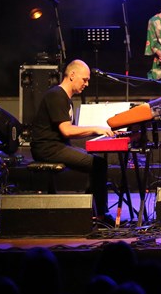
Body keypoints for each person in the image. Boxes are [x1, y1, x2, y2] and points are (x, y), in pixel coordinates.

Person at [29, 59, 116, 223]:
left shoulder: (64, 97)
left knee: (97, 162)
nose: (87, 84)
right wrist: (95, 129)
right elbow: (67, 130)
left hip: (57, 146)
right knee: (98, 164)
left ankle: (90, 212)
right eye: (85, 79)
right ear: (72, 75)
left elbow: (68, 131)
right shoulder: (56, 95)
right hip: (47, 149)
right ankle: (100, 215)